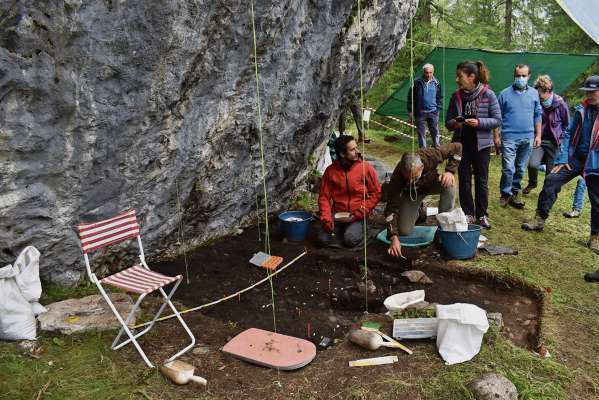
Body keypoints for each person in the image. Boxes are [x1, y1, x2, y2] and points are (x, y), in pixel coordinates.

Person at [522, 76, 599, 255]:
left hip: (595, 162)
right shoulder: (583, 109)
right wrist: (563, 159)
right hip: (576, 158)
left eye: (593, 92)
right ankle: (539, 219)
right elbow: (567, 132)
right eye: (587, 91)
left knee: (597, 200)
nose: (589, 95)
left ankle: (595, 236)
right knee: (551, 179)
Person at [445, 60, 501, 228]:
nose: (457, 79)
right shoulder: (456, 96)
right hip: (461, 145)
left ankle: (482, 214)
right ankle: (468, 214)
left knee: (482, 180)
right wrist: (456, 122)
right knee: (464, 179)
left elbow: (497, 120)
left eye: (459, 76)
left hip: (481, 145)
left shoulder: (488, 95)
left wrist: (479, 123)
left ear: (471, 77)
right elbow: (448, 123)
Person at [384, 143, 462, 257]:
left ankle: (445, 227)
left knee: (449, 184)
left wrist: (450, 171)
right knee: (404, 231)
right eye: (408, 178)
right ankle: (420, 212)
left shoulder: (431, 156)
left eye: (414, 177)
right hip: (412, 194)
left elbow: (457, 147)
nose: (411, 181)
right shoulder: (397, 178)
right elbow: (390, 209)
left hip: (432, 184)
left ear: (421, 167)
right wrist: (393, 237)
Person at [318, 135, 382, 247]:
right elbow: (324, 197)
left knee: (350, 240)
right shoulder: (330, 171)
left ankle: (360, 229)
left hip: (358, 215)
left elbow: (376, 193)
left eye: (356, 148)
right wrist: (326, 218)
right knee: (322, 240)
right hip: (337, 215)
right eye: (352, 150)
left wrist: (360, 213)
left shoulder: (366, 168)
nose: (357, 151)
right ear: (342, 154)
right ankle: (342, 231)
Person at [496, 64, 542, 208]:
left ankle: (514, 193)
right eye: (518, 75)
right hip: (509, 137)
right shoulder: (504, 94)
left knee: (520, 168)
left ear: (529, 76)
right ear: (514, 76)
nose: (521, 78)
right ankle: (505, 193)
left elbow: (537, 115)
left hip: (528, 137)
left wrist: (538, 135)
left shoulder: (534, 94)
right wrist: (496, 136)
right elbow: (497, 118)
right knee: (508, 168)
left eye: (523, 75)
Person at [522, 75, 570, 194]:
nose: (538, 96)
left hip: (554, 143)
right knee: (533, 164)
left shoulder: (560, 104)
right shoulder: (537, 103)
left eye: (539, 94)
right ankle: (532, 183)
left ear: (548, 91)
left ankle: (546, 192)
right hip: (539, 140)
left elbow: (567, 124)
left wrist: (561, 139)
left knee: (550, 172)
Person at [407, 63, 443, 148]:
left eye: (430, 72)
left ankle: (436, 151)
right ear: (423, 72)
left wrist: (438, 109)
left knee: (435, 132)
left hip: (433, 111)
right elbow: (410, 97)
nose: (428, 75)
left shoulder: (437, 83)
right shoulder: (416, 82)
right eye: (427, 72)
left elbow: (439, 97)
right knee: (421, 134)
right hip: (420, 112)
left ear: (433, 72)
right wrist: (410, 110)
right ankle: (423, 153)